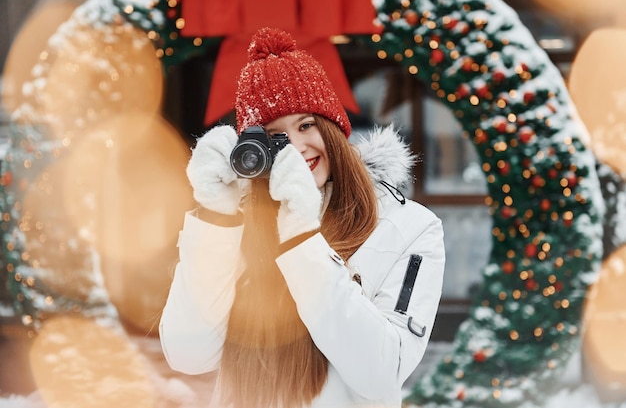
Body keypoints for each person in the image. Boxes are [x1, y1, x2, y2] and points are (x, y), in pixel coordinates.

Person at [159, 27, 446, 408]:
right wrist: (215, 218)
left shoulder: (409, 229)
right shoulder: (237, 222)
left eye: (306, 125)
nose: (295, 148)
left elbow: (380, 374)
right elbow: (188, 355)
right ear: (253, 152)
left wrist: (301, 240)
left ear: (334, 129)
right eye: (275, 137)